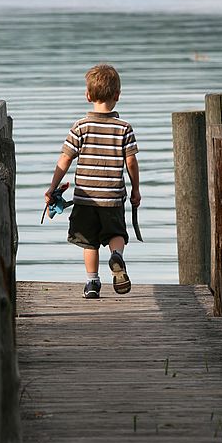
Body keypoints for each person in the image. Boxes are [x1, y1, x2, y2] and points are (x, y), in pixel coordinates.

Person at [44, 64, 141, 299]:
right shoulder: (124, 128)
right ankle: (116, 255)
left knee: (89, 242)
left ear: (88, 96)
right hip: (112, 198)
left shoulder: (80, 127)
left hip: (86, 198)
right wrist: (136, 189)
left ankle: (92, 283)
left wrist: (52, 187)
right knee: (116, 233)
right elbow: (131, 163)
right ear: (117, 96)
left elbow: (65, 158)